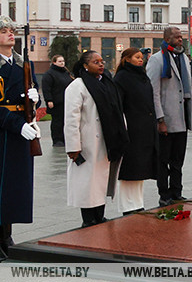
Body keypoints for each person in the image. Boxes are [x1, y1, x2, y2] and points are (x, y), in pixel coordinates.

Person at [65, 51, 128, 227]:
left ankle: (100, 216)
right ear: (85, 65)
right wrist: (73, 146)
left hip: (107, 140)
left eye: (102, 61)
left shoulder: (107, 82)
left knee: (101, 180)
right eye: (95, 62)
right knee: (87, 183)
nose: (101, 64)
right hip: (87, 142)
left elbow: (117, 109)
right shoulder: (77, 86)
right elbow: (71, 118)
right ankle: (88, 219)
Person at [0, 16, 41, 259]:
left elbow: (32, 99)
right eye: (4, 31)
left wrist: (34, 100)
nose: (10, 34)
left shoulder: (24, 64)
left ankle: (6, 234)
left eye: (11, 30)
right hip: (6, 131)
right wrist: (16, 124)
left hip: (19, 134)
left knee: (14, 188)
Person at [145, 26, 192, 207]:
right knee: (163, 160)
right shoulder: (157, 60)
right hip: (166, 118)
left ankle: (176, 191)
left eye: (181, 37)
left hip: (181, 118)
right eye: (177, 37)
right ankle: (164, 194)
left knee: (178, 160)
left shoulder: (183, 58)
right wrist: (160, 119)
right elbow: (154, 92)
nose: (181, 39)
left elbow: (189, 88)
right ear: (166, 38)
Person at [113, 48, 159, 215]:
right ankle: (128, 206)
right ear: (127, 59)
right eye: (137, 57)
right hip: (131, 127)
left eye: (142, 57)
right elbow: (119, 105)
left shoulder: (142, 76)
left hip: (145, 128)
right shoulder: (121, 78)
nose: (141, 60)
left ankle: (138, 203)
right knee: (130, 168)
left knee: (141, 167)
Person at [41, 54, 73, 147]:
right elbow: (46, 88)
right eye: (59, 61)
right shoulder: (49, 74)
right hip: (56, 102)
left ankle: (65, 138)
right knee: (57, 122)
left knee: (66, 121)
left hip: (67, 101)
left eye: (63, 61)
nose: (62, 63)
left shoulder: (66, 73)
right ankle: (57, 140)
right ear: (54, 62)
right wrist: (49, 100)